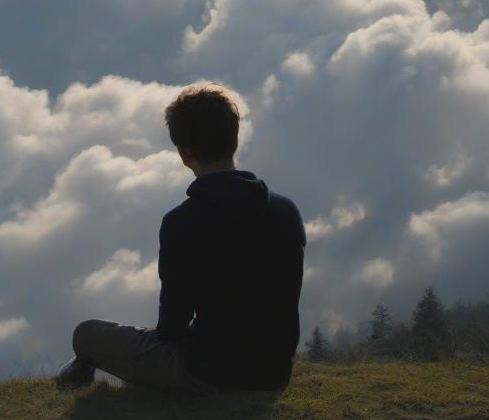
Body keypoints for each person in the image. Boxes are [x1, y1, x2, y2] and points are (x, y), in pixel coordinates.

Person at [56, 84, 306, 394]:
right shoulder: (285, 210)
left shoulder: (181, 222)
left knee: (86, 335)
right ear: (234, 139)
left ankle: (81, 376)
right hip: (274, 374)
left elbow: (172, 327)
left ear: (184, 153)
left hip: (209, 373)